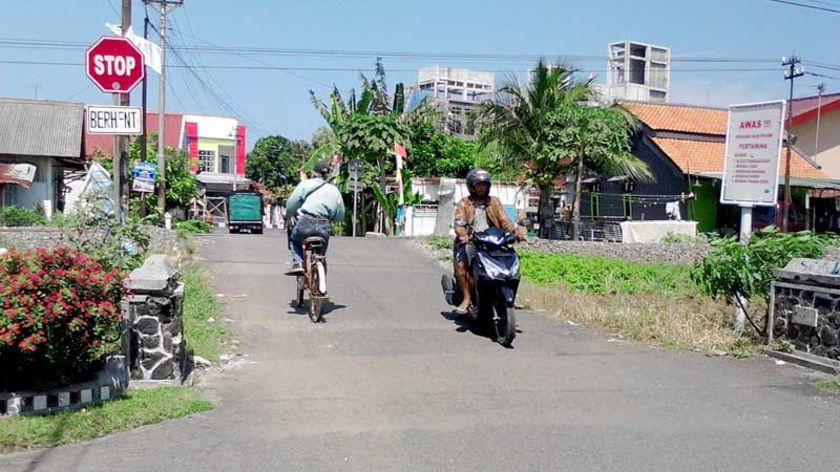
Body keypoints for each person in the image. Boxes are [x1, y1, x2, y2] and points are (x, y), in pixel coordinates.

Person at [452, 168, 524, 314]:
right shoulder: (464, 203)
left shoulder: (494, 202)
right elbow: (459, 222)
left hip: (493, 241)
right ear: (472, 186)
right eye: (479, 184)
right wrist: (463, 235)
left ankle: (510, 295)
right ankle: (466, 299)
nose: (482, 187)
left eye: (484, 184)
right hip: (472, 242)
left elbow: (505, 221)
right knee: (461, 264)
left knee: (511, 262)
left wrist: (516, 232)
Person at [284, 161, 345, 276]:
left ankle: (298, 263)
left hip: (305, 223)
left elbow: (291, 205)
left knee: (294, 240)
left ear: (313, 172)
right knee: (321, 251)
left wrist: (287, 214)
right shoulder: (334, 190)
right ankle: (320, 266)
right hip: (324, 226)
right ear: (327, 174)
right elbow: (340, 215)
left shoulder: (305, 185)